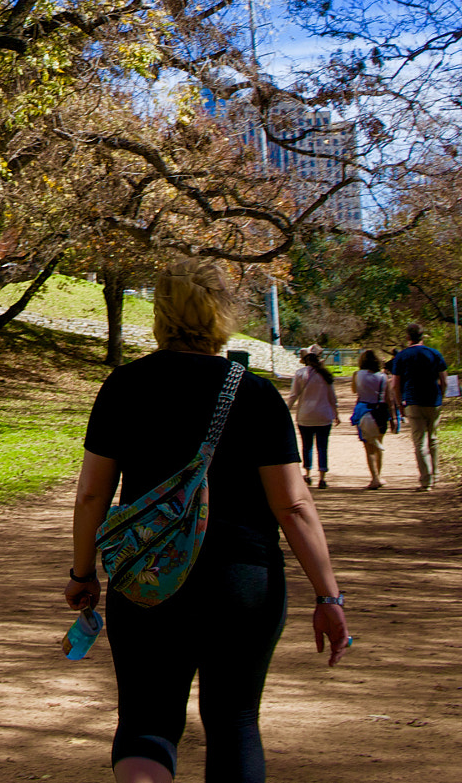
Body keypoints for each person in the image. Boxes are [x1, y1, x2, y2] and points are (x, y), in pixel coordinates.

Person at [64, 259, 349, 783]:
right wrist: (328, 595)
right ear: (223, 313)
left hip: (149, 577)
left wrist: (84, 574)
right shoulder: (256, 394)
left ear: (161, 314)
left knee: (147, 720)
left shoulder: (124, 386)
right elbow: (293, 505)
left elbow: (91, 495)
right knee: (235, 719)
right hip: (244, 578)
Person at [388, 323, 450, 490]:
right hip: (433, 400)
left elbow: (395, 384)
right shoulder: (434, 354)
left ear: (408, 337)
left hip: (413, 401)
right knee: (433, 439)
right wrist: (441, 396)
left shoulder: (402, 356)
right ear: (423, 336)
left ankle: (426, 480)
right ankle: (435, 475)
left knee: (419, 442)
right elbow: (444, 380)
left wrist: (400, 404)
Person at [285, 347, 338, 490]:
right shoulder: (326, 375)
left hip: (305, 415)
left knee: (307, 445)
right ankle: (322, 477)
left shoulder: (300, 374)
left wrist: (286, 409)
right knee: (322, 446)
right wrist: (336, 413)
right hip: (324, 415)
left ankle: (307, 473)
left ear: (304, 362)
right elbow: (332, 397)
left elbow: (293, 395)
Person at [350, 349, 393, 490]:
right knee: (379, 444)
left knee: (368, 447)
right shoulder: (383, 377)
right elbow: (388, 398)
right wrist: (392, 417)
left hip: (364, 410)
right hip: (380, 411)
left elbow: (354, 390)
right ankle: (379, 476)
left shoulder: (357, 375)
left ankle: (374, 477)